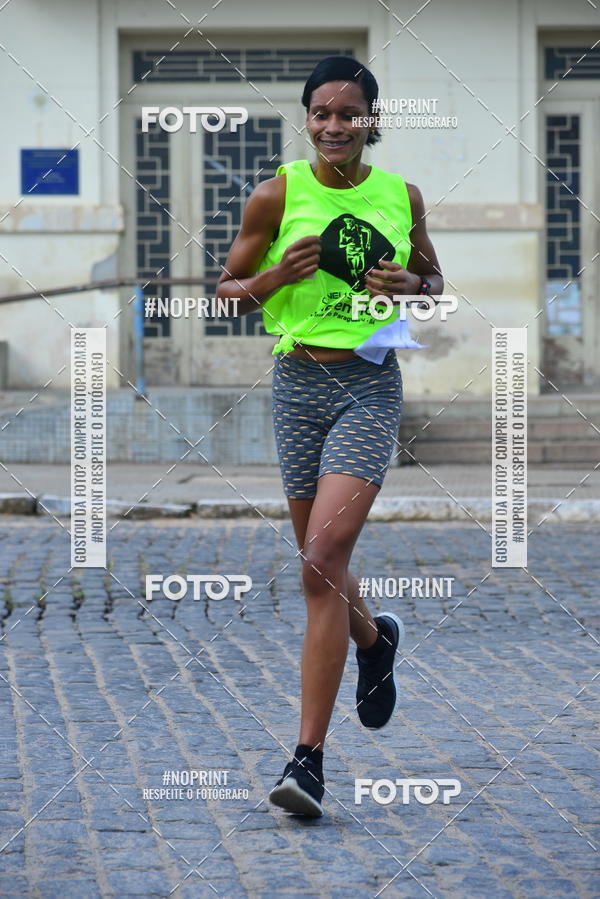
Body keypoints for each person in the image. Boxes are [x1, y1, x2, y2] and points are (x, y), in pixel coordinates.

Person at [216, 55, 443, 817]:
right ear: (307, 119)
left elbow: (433, 281)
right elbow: (227, 295)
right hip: (296, 386)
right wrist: (276, 277)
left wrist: (413, 286)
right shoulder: (276, 194)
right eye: (322, 113)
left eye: (350, 114)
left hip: (369, 387)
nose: (335, 126)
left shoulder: (400, 195)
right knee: (322, 568)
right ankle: (376, 641)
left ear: (371, 121)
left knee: (319, 560)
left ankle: (306, 761)